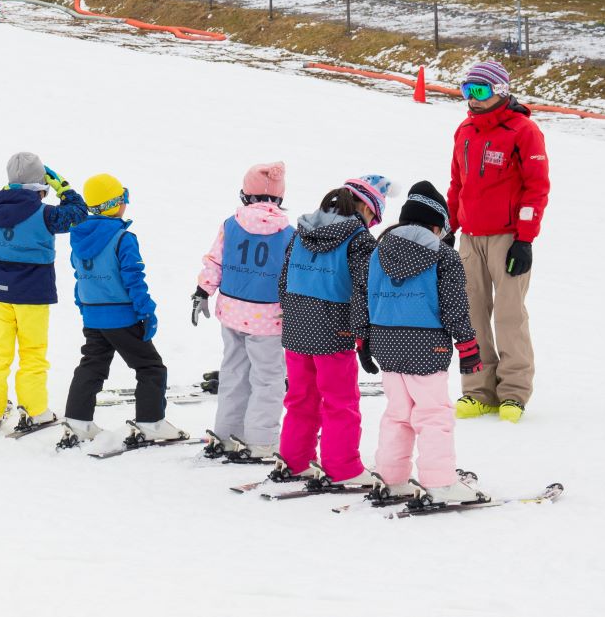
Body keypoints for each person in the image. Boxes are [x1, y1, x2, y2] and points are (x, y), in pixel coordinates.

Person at [358, 181, 487, 504]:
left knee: (398, 413)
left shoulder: (377, 252)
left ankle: (391, 477)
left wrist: (363, 339)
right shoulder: (444, 256)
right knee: (433, 415)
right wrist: (468, 347)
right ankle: (441, 483)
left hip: (386, 342)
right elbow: (455, 305)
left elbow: (362, 295)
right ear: (435, 225)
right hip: (427, 345)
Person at [446, 60, 549, 422]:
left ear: (500, 91)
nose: (472, 99)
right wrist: (449, 227)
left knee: (509, 315)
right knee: (470, 314)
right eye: (466, 90)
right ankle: (478, 390)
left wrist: (525, 239)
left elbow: (537, 188)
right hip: (470, 238)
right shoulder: (465, 130)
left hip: (507, 238)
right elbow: (457, 185)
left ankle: (513, 392)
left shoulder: (523, 131)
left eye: (480, 90)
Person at [273, 176, 386, 488]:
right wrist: (364, 333)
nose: (372, 225)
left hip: (297, 326)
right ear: (365, 206)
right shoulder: (359, 240)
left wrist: (292, 312)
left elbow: (284, 279)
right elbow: (365, 290)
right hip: (335, 328)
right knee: (340, 401)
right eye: (374, 217)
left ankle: (294, 460)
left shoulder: (301, 232)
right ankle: (343, 467)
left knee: (300, 397)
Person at [59, 173, 184, 450]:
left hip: (93, 316)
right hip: (122, 316)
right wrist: (146, 311)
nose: (126, 203)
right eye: (123, 198)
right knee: (150, 367)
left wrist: (83, 307)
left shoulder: (78, 238)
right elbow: (133, 278)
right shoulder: (122, 238)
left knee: (92, 365)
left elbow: (80, 276)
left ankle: (78, 422)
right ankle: (151, 423)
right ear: (115, 204)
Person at [190, 162, 293, 462]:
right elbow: (292, 276)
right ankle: (261, 439)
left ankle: (225, 433)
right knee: (268, 379)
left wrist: (202, 291)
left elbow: (215, 261)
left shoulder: (230, 225)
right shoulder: (289, 233)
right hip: (269, 317)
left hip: (233, 311)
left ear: (246, 195)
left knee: (234, 372)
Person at [0, 153, 88, 432]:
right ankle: (34, 409)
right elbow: (79, 214)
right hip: (32, 292)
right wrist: (63, 186)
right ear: (41, 184)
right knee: (32, 353)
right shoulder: (46, 214)